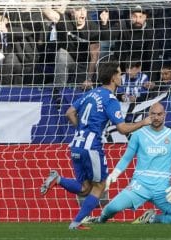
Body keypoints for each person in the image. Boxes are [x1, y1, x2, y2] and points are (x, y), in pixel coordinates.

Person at [40, 62, 151, 230]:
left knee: (85, 188)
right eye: (120, 74)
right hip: (91, 147)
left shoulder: (90, 93)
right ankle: (75, 224)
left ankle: (58, 179)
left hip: (77, 144)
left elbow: (69, 112)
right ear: (113, 77)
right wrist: (144, 122)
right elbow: (122, 129)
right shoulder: (110, 99)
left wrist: (81, 130)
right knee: (100, 186)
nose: (121, 77)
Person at [82, 103, 171, 225]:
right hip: (139, 186)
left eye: (159, 114)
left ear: (164, 115)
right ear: (148, 115)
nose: (156, 117)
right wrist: (114, 174)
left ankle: (152, 219)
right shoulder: (138, 134)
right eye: (153, 114)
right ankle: (100, 220)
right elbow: (126, 158)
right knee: (112, 208)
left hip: (162, 189)